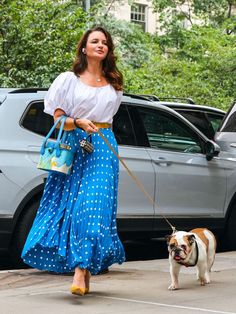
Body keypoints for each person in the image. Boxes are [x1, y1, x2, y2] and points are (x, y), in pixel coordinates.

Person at [21, 26, 126, 296]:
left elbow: (110, 119)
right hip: (73, 143)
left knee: (94, 208)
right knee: (72, 207)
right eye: (95, 41)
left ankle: (80, 269)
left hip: (102, 146)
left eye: (105, 42)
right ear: (84, 47)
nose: (100, 45)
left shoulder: (115, 82)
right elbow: (57, 118)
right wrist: (77, 121)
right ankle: (85, 267)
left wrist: (98, 130)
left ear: (108, 50)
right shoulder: (68, 80)